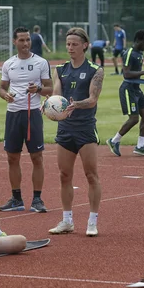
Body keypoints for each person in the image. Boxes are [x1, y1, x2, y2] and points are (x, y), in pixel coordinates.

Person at [48, 27, 104, 237]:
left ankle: (92, 221)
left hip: (85, 129)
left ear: (85, 46)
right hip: (65, 130)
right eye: (68, 44)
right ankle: (67, 220)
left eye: (74, 44)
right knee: (64, 175)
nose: (70, 48)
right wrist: (50, 107)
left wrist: (75, 105)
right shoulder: (60, 69)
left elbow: (93, 99)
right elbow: (56, 95)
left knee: (91, 175)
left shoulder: (95, 70)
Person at [0, 27, 53, 213]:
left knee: (37, 157)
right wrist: (6, 96)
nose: (26, 44)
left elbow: (50, 89)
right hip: (13, 114)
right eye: (21, 40)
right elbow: (2, 88)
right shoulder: (8, 64)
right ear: (14, 42)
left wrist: (37, 90)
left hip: (32, 114)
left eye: (28, 40)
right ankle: (16, 198)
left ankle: (37, 199)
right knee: (12, 157)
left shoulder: (41, 62)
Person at [106, 30, 144, 157]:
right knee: (134, 118)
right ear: (138, 41)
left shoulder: (140, 54)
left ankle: (140, 146)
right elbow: (126, 74)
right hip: (128, 89)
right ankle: (114, 141)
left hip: (136, 89)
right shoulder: (129, 53)